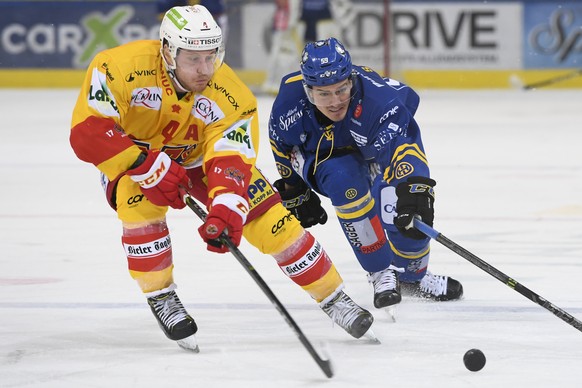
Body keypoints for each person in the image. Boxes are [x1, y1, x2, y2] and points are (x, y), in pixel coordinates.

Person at [69, 6, 376, 352]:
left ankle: (333, 297)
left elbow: (231, 160)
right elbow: (87, 132)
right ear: (168, 51)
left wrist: (228, 206)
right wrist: (146, 165)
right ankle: (161, 294)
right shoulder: (118, 67)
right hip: (132, 156)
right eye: (194, 59)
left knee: (271, 220)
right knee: (138, 204)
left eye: (210, 57)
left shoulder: (231, 95)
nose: (204, 70)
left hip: (199, 159)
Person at [268, 37, 464, 313]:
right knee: (345, 180)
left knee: (405, 212)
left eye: (341, 90)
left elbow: (403, 145)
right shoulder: (290, 101)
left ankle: (411, 277)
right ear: (308, 91)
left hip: (372, 151)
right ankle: (380, 271)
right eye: (324, 94)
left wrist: (415, 187)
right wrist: (294, 188)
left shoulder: (377, 100)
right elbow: (280, 143)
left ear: (352, 81)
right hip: (322, 157)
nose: (335, 102)